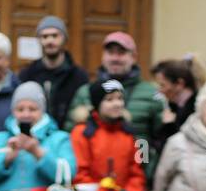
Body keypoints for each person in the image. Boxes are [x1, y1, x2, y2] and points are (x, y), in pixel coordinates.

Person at [64, 32, 166, 175]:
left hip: (138, 174)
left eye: (121, 53)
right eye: (110, 53)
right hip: (92, 177)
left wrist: (148, 170)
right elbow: (69, 135)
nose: (115, 58)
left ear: (134, 57)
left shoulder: (152, 94)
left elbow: (161, 139)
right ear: (103, 57)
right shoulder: (85, 92)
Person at [70, 78, 146, 191]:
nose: (117, 104)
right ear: (97, 104)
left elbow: (137, 172)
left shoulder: (130, 134)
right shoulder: (82, 133)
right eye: (109, 99)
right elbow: (81, 175)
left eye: (120, 98)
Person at [16, 15, 89, 128]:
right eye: (44, 36)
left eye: (55, 36)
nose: (50, 41)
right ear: (39, 40)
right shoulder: (27, 74)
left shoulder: (78, 75)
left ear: (64, 39)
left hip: (68, 135)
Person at [150, 57, 202, 156]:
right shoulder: (172, 107)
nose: (159, 90)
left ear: (179, 84)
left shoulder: (200, 109)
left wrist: (170, 126)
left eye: (162, 85)